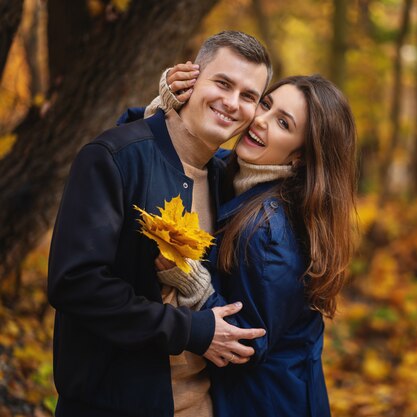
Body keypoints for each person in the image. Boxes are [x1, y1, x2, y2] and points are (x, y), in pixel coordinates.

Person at [47, 31, 272, 417]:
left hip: (201, 407)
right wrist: (191, 331)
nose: (232, 103)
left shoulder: (224, 181)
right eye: (222, 83)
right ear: (190, 77)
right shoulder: (113, 158)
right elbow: (75, 284)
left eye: (248, 96)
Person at [152, 69, 358, 416]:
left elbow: (249, 342)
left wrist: (195, 283)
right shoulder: (238, 175)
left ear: (301, 156)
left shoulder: (267, 232)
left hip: (268, 404)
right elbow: (181, 148)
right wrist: (171, 108)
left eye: (283, 123)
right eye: (265, 104)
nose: (259, 120)